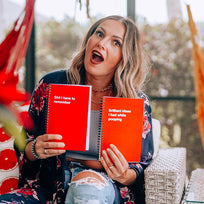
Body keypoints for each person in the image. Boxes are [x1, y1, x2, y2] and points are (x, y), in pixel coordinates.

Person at [0, 15, 153, 204]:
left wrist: (124, 174)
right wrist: (36, 148)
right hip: (49, 188)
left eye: (116, 42)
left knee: (86, 190)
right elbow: (24, 146)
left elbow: (141, 166)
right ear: (89, 39)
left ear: (126, 56)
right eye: (99, 34)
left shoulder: (135, 101)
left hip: (103, 187)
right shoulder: (51, 84)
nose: (102, 43)